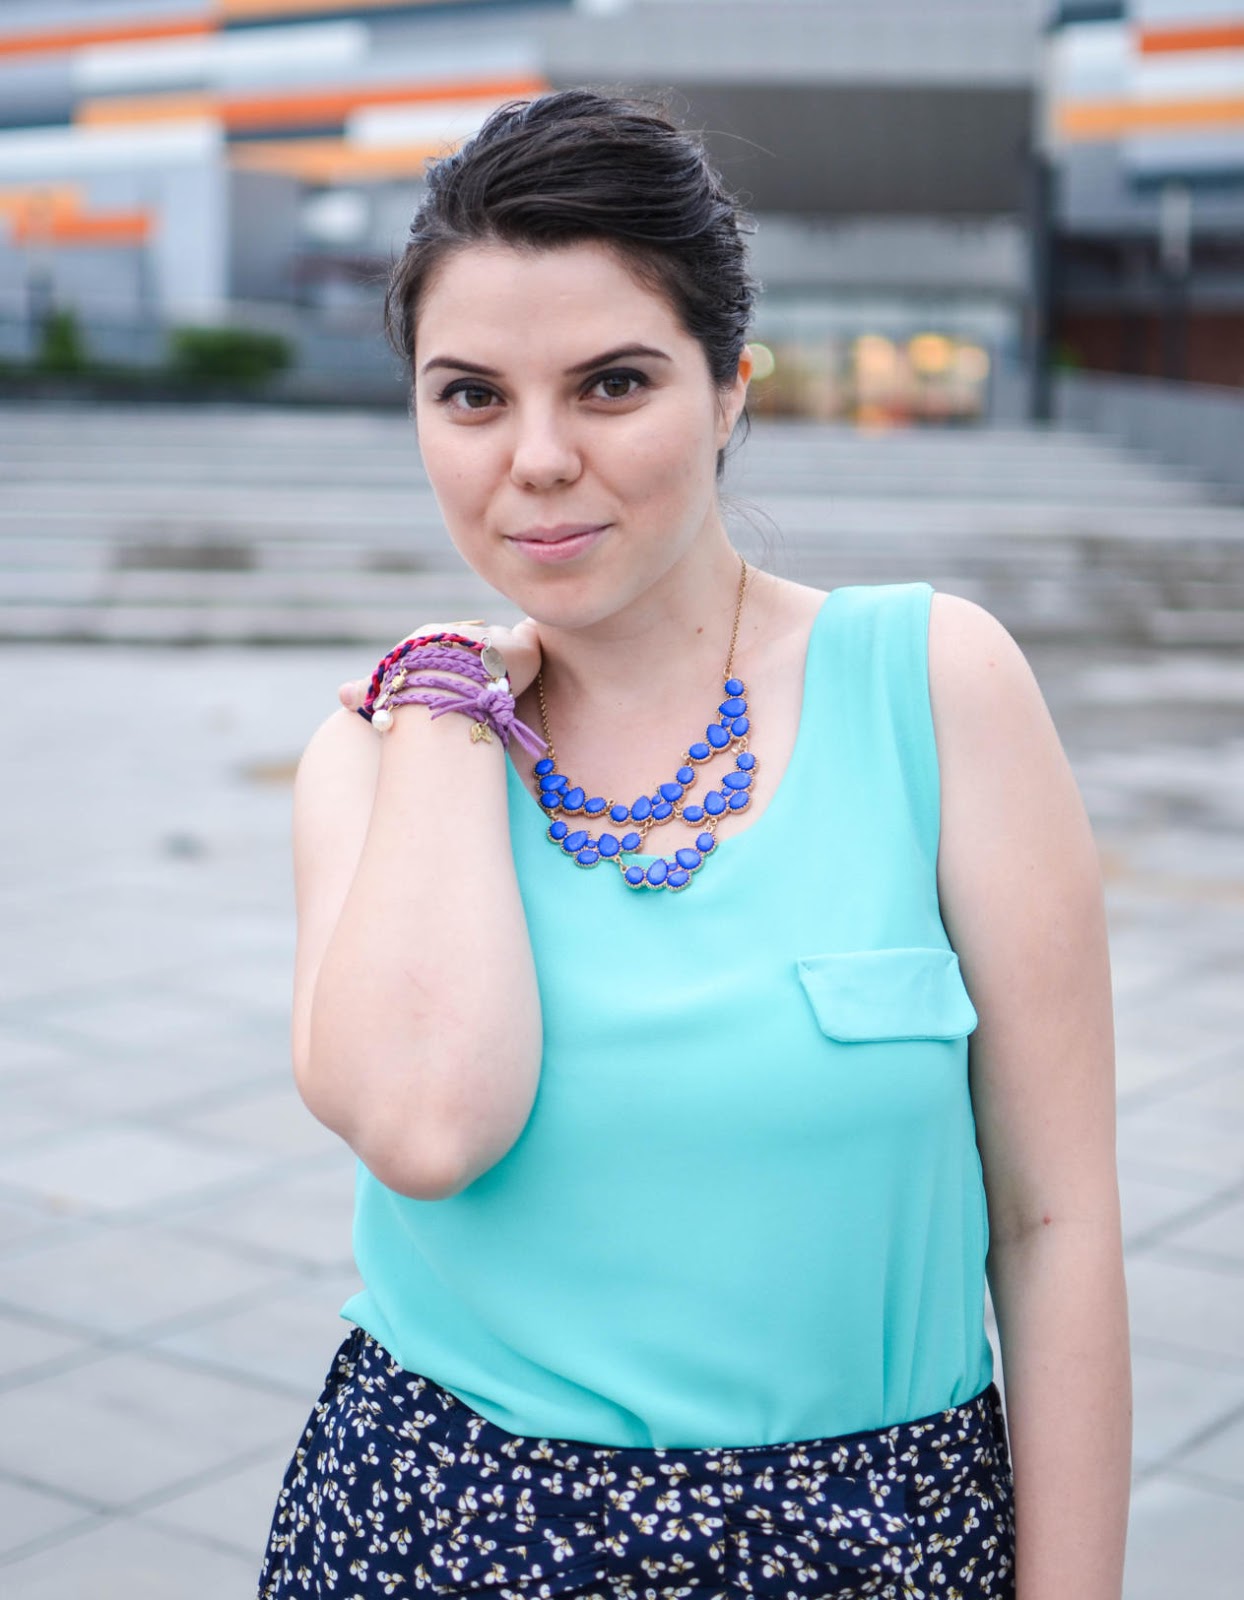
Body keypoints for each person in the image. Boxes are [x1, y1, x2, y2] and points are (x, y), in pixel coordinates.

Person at [257, 89, 1131, 1600]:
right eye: (471, 395)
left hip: (871, 1541)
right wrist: (454, 713)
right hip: (445, 1533)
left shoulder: (934, 686)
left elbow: (1055, 1226)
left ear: (729, 388)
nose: (537, 458)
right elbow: (428, 1129)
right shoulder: (381, 757)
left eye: (611, 384)